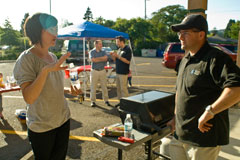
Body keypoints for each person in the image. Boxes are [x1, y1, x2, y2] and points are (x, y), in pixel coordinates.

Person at [167, 14, 240, 160]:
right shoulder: (184, 60)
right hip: (179, 135)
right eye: (179, 33)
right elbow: (180, 92)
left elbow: (236, 88)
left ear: (201, 34)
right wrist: (175, 117)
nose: (180, 37)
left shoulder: (216, 59)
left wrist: (211, 111)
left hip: (203, 140)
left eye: (185, 33)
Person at [13, 13, 81, 160]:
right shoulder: (26, 59)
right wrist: (45, 71)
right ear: (39, 31)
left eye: (57, 28)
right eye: (51, 28)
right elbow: (29, 97)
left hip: (63, 120)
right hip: (42, 127)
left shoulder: (53, 57)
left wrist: (70, 90)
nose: (56, 32)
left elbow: (51, 88)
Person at [110, 36, 132, 107]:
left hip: (123, 73)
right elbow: (115, 60)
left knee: (123, 89)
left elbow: (128, 61)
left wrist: (118, 56)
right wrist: (113, 56)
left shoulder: (127, 49)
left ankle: (127, 104)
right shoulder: (119, 49)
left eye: (117, 42)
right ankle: (121, 102)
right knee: (118, 89)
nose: (117, 44)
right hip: (118, 72)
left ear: (122, 42)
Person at [89, 40, 111, 107]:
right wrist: (101, 59)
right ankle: (93, 101)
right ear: (96, 45)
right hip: (94, 71)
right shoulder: (92, 52)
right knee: (93, 87)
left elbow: (106, 58)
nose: (101, 45)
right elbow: (93, 60)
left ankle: (106, 100)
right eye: (100, 44)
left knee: (104, 86)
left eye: (101, 44)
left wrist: (97, 59)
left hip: (102, 70)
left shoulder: (103, 51)